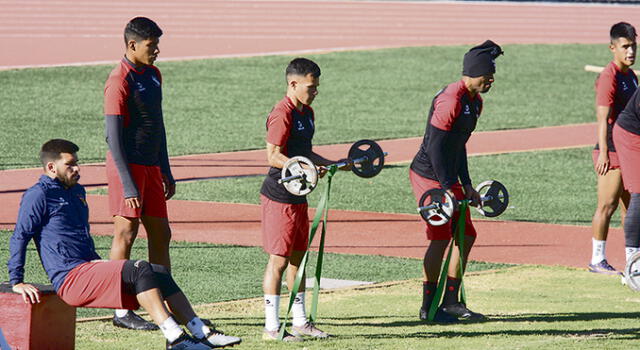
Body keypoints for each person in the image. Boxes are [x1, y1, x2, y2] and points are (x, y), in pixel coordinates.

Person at [7, 139, 241, 350]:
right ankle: (176, 339)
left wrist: (98, 261)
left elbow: (78, 237)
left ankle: (201, 331)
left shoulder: (76, 191)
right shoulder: (37, 196)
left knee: (158, 272)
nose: (77, 169)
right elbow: (20, 236)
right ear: (51, 167)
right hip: (70, 278)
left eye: (77, 163)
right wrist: (17, 281)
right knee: (139, 268)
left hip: (87, 267)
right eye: (70, 165)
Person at [409, 40, 503, 322]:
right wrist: (449, 187)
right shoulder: (451, 99)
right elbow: (436, 147)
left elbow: (459, 144)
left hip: (448, 177)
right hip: (428, 174)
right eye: (488, 74)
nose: (491, 79)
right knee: (440, 237)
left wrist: (468, 184)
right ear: (475, 72)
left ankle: (451, 301)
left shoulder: (475, 103)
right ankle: (429, 305)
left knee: (466, 234)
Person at [259, 58, 348, 341]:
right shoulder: (281, 113)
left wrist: (332, 163)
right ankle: (272, 328)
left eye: (317, 87)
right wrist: (306, 168)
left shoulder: (306, 113)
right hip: (279, 198)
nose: (315, 92)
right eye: (311, 87)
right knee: (278, 261)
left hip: (299, 196)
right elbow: (273, 156)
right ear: (293, 84)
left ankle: (300, 322)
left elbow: (305, 153)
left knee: (299, 261)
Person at [104, 16, 176, 330]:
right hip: (127, 168)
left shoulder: (154, 74)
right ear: (132, 45)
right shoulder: (119, 79)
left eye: (158, 44)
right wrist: (129, 185)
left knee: (161, 234)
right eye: (152, 45)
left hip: (151, 167)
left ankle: (165, 304)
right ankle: (121, 309)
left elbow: (157, 126)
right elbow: (114, 138)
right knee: (126, 234)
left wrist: (166, 169)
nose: (157, 50)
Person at [590, 22, 637, 275]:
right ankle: (597, 260)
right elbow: (602, 118)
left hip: (628, 150)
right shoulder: (610, 77)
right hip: (612, 151)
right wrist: (605, 153)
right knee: (607, 205)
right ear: (613, 48)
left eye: (634, 46)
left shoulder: (630, 75)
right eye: (625, 47)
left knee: (632, 208)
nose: (631, 51)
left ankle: (633, 260)